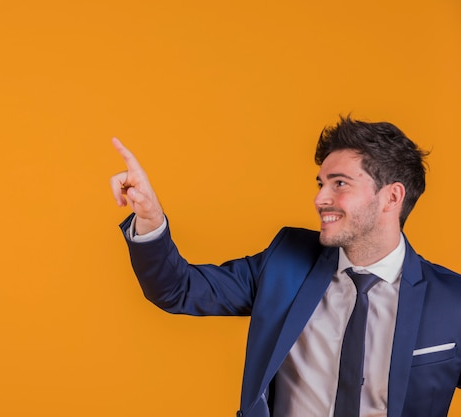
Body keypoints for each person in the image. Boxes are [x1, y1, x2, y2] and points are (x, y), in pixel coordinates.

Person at [109, 116, 461, 417]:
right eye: (321, 184)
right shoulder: (285, 263)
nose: (320, 198)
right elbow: (178, 289)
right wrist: (150, 218)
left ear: (392, 197)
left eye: (340, 184)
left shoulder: (452, 300)